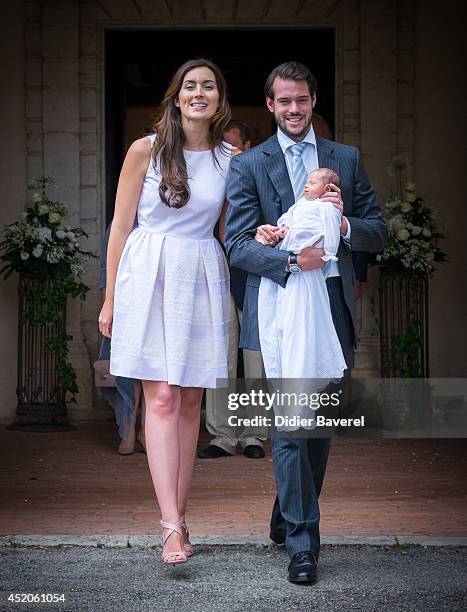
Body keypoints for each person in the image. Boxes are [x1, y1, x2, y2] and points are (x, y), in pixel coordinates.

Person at [225, 61, 387, 584]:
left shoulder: (346, 159)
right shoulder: (250, 164)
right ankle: (303, 544)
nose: (293, 110)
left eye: (301, 100)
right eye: (283, 102)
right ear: (270, 105)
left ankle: (285, 513)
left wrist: (342, 224)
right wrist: (290, 258)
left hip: (331, 309)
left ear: (313, 100)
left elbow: (378, 231)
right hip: (278, 308)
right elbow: (236, 245)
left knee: (317, 427)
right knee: (292, 426)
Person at [98, 59, 232, 565]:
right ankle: (170, 526)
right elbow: (119, 227)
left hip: (201, 275)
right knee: (160, 399)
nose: (199, 94)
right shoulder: (145, 150)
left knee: (191, 402)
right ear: (176, 97)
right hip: (148, 272)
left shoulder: (230, 159)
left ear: (219, 98)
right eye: (190, 87)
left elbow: (226, 232)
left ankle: (180, 511)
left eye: (209, 87)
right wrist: (110, 297)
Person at [198, 119, 267, 460]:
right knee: (219, 356)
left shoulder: (259, 176)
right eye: (221, 148)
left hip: (252, 273)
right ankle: (221, 436)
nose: (227, 155)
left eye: (233, 148)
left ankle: (254, 434)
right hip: (215, 271)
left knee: (255, 357)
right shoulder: (207, 179)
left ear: (248, 147)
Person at [256, 168, 347, 385]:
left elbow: (331, 233)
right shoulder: (299, 205)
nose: (306, 186)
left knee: (306, 328)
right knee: (282, 335)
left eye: (312, 183)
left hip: (312, 265)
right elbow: (287, 218)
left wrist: (329, 254)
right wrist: (281, 230)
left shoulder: (327, 207)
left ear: (326, 189)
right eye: (306, 182)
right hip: (286, 259)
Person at [97, 224, 146, 456]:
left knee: (157, 372)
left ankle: (145, 432)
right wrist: (108, 302)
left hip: (158, 298)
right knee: (131, 370)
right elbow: (106, 268)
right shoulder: (122, 221)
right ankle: (127, 430)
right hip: (128, 300)